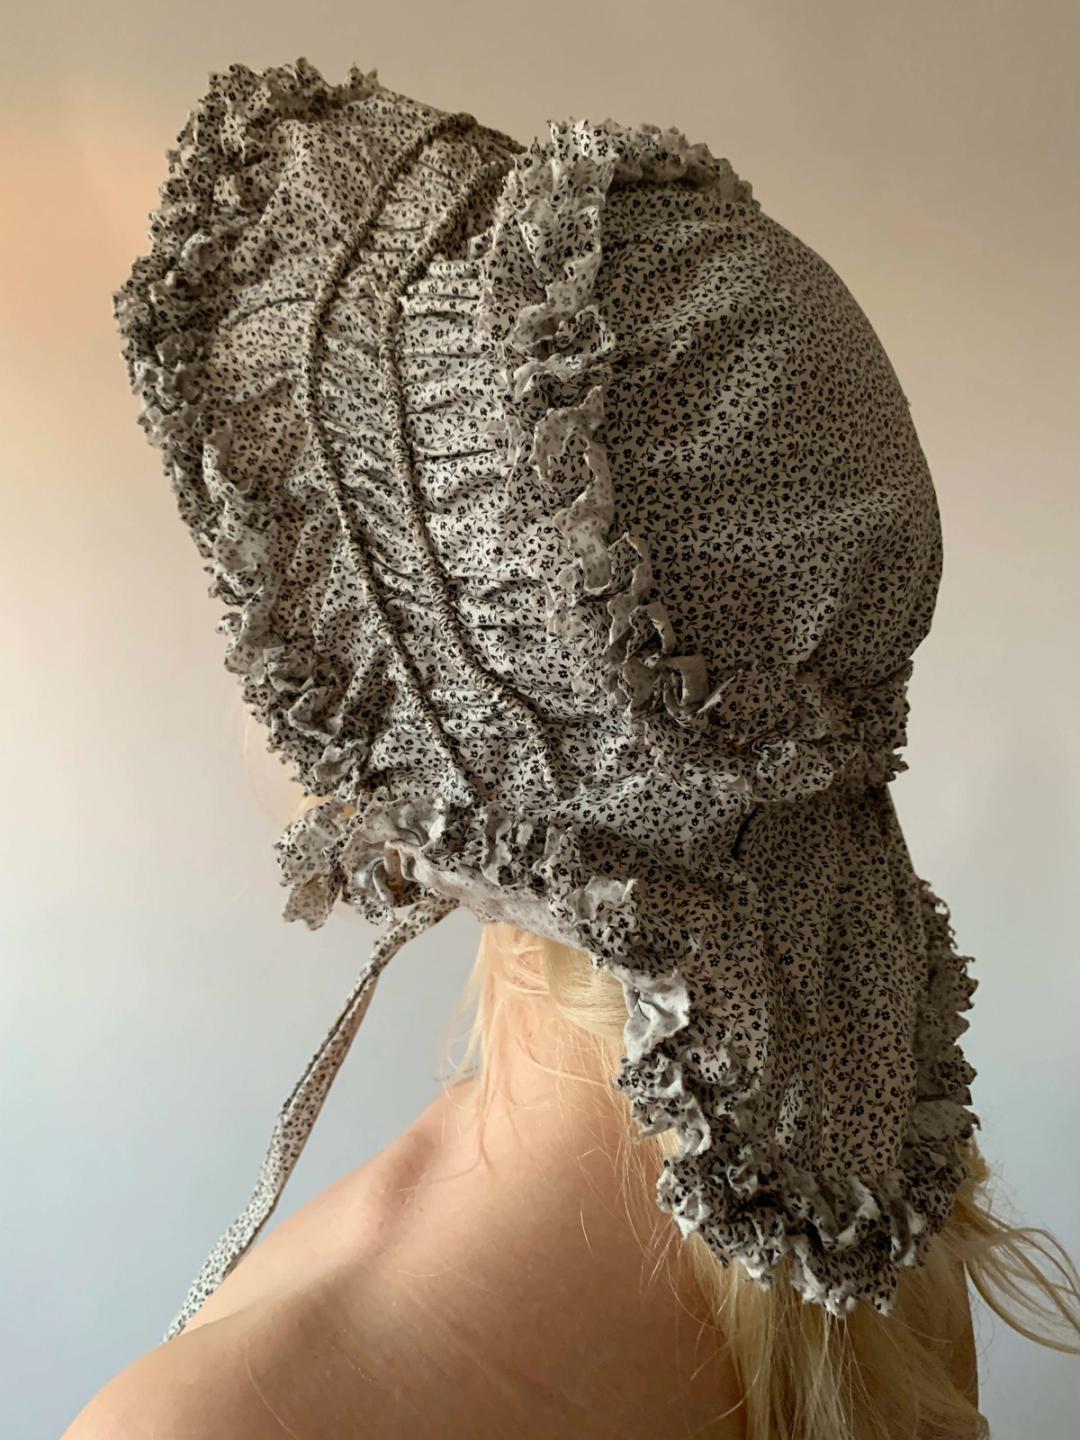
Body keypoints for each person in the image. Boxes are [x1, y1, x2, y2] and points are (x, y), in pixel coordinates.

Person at [71, 57, 1080, 1437]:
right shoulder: (867, 1236)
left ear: (475, 705)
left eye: (306, 562)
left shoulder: (220, 1418)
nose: (261, 610)